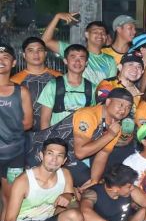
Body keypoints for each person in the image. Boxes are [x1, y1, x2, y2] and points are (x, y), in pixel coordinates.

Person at [1, 138, 85, 221]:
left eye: (59, 155)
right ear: (41, 155)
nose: (54, 159)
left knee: (75, 216)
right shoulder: (24, 180)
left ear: (64, 160)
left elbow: (74, 207)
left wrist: (70, 197)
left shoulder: (65, 175)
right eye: (50, 153)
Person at [70, 88, 135, 187]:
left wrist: (94, 181)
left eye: (128, 107)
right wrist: (110, 134)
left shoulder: (115, 125)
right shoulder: (88, 115)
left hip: (72, 159)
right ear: (108, 102)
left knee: (96, 187)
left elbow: (103, 154)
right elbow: (80, 153)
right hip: (52, 154)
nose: (123, 110)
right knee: (86, 181)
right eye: (120, 105)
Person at [41, 14, 117, 84]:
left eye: (103, 33)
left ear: (106, 37)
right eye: (95, 32)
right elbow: (45, 41)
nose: (100, 35)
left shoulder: (110, 60)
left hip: (101, 95)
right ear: (87, 34)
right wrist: (57, 17)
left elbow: (111, 86)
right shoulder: (74, 52)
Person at [0, 42, 34, 198]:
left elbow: (28, 123)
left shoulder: (21, 91)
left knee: (11, 197)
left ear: (13, 62)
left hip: (14, 155)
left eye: (5, 57)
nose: (1, 61)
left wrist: (6, 133)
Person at [36, 43, 96, 131]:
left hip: (82, 137)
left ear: (86, 63)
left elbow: (94, 117)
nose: (77, 62)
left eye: (81, 58)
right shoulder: (53, 85)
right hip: (57, 137)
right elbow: (45, 120)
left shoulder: (92, 88)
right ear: (65, 61)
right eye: (73, 57)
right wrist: (47, 138)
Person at [12, 36, 61, 125]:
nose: (36, 54)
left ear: (45, 53)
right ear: (24, 55)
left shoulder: (59, 78)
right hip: (24, 130)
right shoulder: (14, 81)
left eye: (40, 50)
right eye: (31, 50)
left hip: (55, 129)